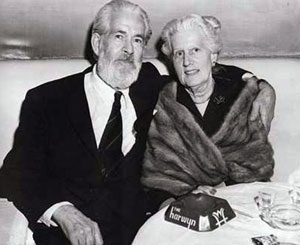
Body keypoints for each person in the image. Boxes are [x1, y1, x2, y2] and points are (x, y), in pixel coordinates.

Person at [0, 2, 275, 245]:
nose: (129, 50)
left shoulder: (148, 84)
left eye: (138, 40)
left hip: (140, 233)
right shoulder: (49, 99)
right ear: (97, 44)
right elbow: (15, 173)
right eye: (119, 36)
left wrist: (261, 86)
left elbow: (200, 74)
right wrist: (63, 212)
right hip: (66, 236)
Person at [142, 14, 275, 209]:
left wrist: (218, 191)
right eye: (179, 53)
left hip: (240, 203)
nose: (187, 61)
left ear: (213, 56)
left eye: (195, 50)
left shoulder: (240, 96)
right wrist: (181, 201)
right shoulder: (165, 102)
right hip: (185, 212)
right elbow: (157, 180)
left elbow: (257, 167)